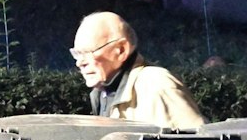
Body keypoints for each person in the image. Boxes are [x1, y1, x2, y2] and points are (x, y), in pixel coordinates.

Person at [72, 11, 206, 128]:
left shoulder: (156, 86)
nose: (79, 62)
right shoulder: (104, 93)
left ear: (121, 50)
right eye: (77, 54)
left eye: (87, 53)